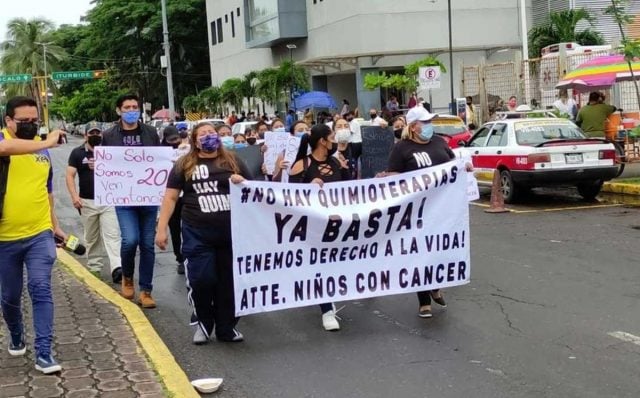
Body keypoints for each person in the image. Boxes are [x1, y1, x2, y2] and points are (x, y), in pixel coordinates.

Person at [155, 122, 250, 344]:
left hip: (231, 234)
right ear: (195, 140)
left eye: (212, 132)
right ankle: (203, 323)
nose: (209, 136)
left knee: (229, 284)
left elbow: (254, 190)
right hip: (197, 233)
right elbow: (170, 197)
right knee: (202, 279)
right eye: (203, 133)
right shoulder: (184, 164)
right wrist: (161, 230)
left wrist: (242, 182)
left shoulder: (233, 161)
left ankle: (227, 328)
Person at [0, 96, 65, 374]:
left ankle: (44, 352)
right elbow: (7, 148)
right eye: (23, 121)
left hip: (39, 232)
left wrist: (56, 226)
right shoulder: (5, 140)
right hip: (4, 239)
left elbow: (46, 192)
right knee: (10, 296)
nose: (30, 125)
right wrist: (47, 141)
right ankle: (16, 334)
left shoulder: (43, 153)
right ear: (8, 121)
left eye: (34, 121)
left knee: (40, 288)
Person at [383, 106, 452, 319]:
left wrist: (463, 168)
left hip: (441, 208)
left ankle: (435, 285)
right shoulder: (402, 148)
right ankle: (423, 299)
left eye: (430, 121)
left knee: (439, 249)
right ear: (413, 127)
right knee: (421, 252)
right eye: (425, 122)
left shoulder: (440, 142)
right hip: (416, 211)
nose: (429, 126)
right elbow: (395, 176)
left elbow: (453, 165)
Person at [288, 124, 350, 331]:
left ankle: (329, 298)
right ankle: (326, 309)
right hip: (312, 227)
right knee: (321, 266)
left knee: (335, 265)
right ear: (322, 141)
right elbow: (288, 198)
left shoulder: (335, 162)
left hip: (337, 224)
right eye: (332, 136)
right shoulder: (301, 165)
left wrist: (346, 170)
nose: (335, 140)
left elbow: (350, 191)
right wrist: (308, 187)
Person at [102, 94, 161, 308]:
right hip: (124, 197)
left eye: (135, 107)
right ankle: (127, 277)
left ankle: (146, 290)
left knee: (147, 245)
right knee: (130, 240)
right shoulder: (109, 135)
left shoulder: (151, 132)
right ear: (119, 111)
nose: (131, 110)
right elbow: (105, 164)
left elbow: (160, 161)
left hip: (148, 197)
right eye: (127, 107)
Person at [66, 122, 123, 281]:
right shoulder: (77, 153)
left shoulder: (108, 152)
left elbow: (120, 171)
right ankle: (94, 266)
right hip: (87, 201)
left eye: (98, 133)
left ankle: (117, 267)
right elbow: (70, 175)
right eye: (92, 133)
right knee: (92, 236)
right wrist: (74, 196)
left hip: (108, 200)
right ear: (85, 136)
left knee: (112, 234)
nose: (95, 136)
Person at [160, 126, 187, 275]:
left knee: (189, 227)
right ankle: (180, 257)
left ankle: (189, 254)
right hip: (169, 197)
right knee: (175, 228)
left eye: (177, 140)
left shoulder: (186, 149)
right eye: (171, 141)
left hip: (186, 195)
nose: (175, 143)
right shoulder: (159, 152)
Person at [344, 111, 362, 177]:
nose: (347, 117)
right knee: (354, 159)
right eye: (347, 116)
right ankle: (355, 172)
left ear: (353, 115)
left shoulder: (354, 122)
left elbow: (350, 132)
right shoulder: (350, 122)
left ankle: (357, 173)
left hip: (356, 142)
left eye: (349, 115)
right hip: (353, 142)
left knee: (355, 159)